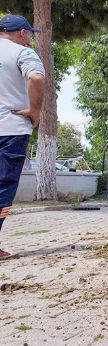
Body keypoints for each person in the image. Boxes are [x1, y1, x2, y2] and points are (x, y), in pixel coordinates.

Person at [0, 15, 45, 260]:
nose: (30, 38)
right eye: (30, 33)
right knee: (3, 187)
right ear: (21, 33)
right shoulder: (23, 53)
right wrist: (34, 111)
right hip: (11, 129)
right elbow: (37, 77)